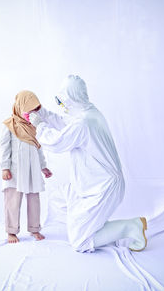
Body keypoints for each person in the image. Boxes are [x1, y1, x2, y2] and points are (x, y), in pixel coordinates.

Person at [28, 75, 147, 253]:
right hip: (91, 183)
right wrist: (42, 113)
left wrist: (39, 126)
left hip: (104, 187)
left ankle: (132, 227)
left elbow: (57, 142)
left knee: (80, 242)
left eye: (63, 101)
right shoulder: (88, 112)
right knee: (68, 210)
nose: (62, 106)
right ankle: (93, 226)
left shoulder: (84, 123)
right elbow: (65, 123)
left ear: (73, 98)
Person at [0, 90, 52, 243]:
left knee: (34, 199)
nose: (31, 112)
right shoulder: (9, 125)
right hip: (14, 171)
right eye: (28, 109)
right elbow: (4, 148)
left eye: (34, 109)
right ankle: (11, 231)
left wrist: (43, 167)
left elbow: (39, 147)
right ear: (19, 106)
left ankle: (34, 228)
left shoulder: (35, 127)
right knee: (12, 201)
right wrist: (4, 167)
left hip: (32, 171)